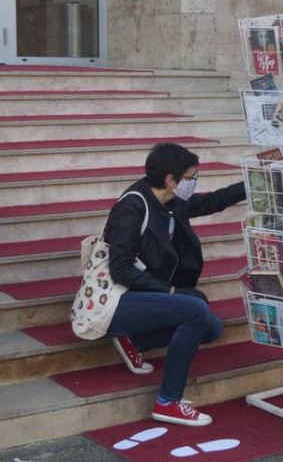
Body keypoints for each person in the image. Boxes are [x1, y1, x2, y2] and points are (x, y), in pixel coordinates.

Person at [103, 142, 246, 427]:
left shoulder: (169, 201)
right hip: (119, 301)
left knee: (211, 326)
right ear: (171, 179)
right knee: (194, 309)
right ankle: (168, 401)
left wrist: (253, 181)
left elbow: (210, 202)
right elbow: (120, 269)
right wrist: (170, 291)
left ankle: (135, 340)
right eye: (192, 177)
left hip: (144, 298)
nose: (194, 183)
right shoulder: (133, 205)